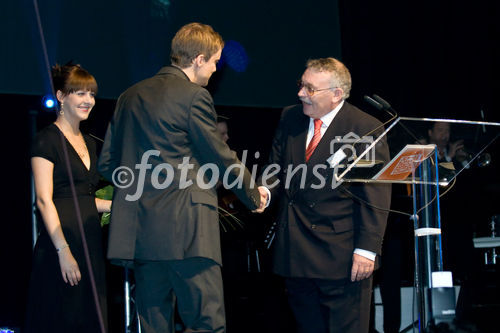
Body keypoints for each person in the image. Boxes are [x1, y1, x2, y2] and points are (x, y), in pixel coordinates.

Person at [98, 22, 267, 333]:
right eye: (216, 61)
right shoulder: (194, 96)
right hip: (189, 230)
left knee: (153, 324)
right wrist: (253, 194)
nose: (216, 70)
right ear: (199, 58)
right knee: (206, 322)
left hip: (142, 232)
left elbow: (108, 163)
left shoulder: (128, 96)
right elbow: (219, 154)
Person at [261, 57, 391, 333]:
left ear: (336, 94)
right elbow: (275, 168)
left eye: (310, 88)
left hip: (342, 257)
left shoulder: (364, 128)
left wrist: (367, 250)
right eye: (301, 85)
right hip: (295, 253)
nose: (300, 94)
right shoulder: (290, 118)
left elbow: (374, 195)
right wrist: (264, 191)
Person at [25, 63, 111, 332]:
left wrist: (119, 205)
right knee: (61, 318)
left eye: (92, 94)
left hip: (90, 245)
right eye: (80, 93)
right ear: (61, 96)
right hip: (61, 245)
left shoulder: (91, 143)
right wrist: (64, 251)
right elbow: (44, 199)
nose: (89, 101)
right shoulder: (46, 140)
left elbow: (83, 198)